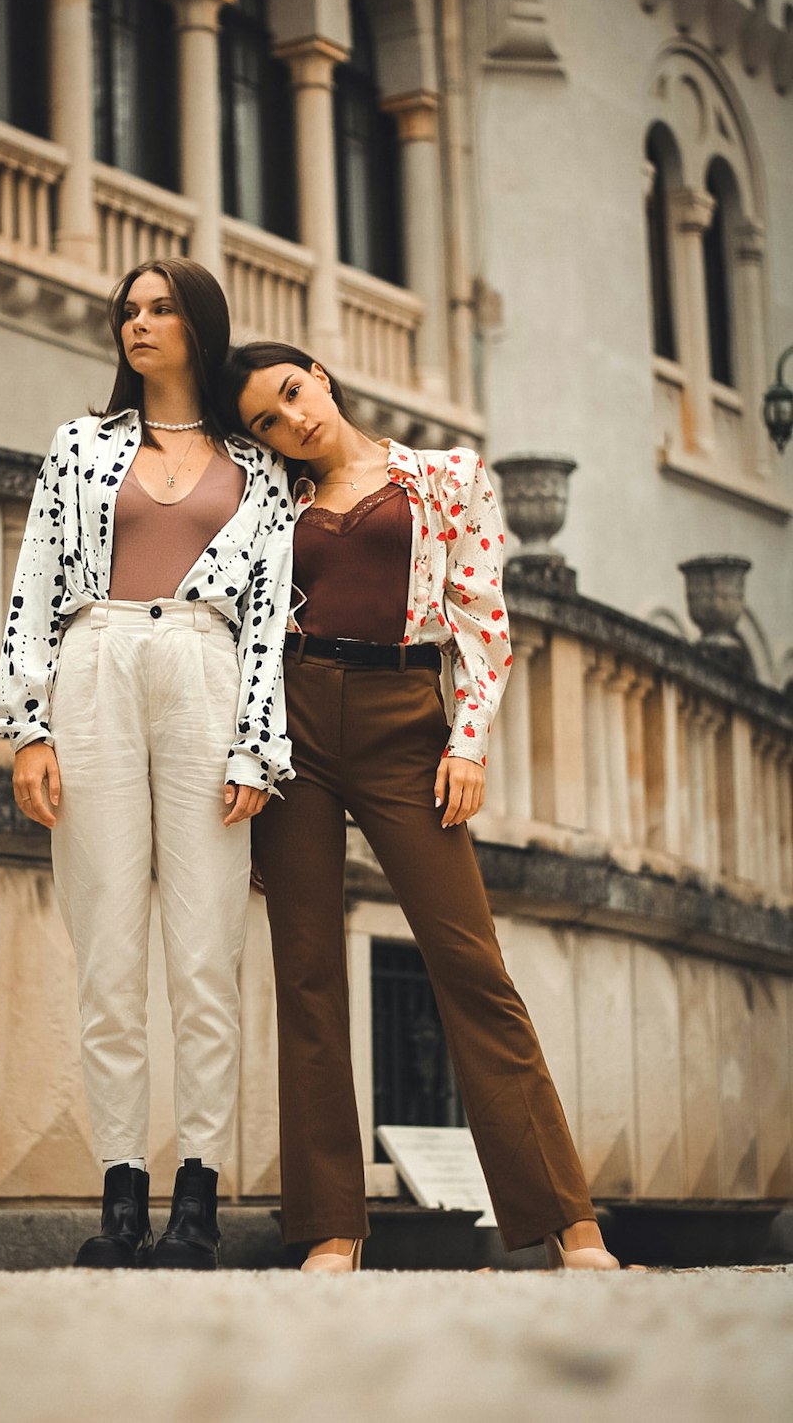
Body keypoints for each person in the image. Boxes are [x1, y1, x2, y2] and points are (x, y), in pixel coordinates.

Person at [221, 340, 621, 1274]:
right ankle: (331, 1229)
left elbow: (483, 619)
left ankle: (574, 1224)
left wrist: (467, 738)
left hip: (408, 719)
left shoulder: (448, 477)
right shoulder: (269, 504)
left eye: (291, 394)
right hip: (296, 723)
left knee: (471, 965)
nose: (291, 422)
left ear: (320, 373)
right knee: (308, 970)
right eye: (266, 423)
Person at [0, 262, 294, 1271]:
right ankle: (122, 1193)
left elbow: (266, 625)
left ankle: (196, 1201)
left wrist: (259, 741)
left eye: (161, 307)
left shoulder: (258, 469)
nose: (139, 323)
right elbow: (33, 582)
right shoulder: (80, 448)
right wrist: (26, 725)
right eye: (128, 310)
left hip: (205, 676)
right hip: (96, 666)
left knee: (206, 952)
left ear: (200, 325)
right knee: (106, 952)